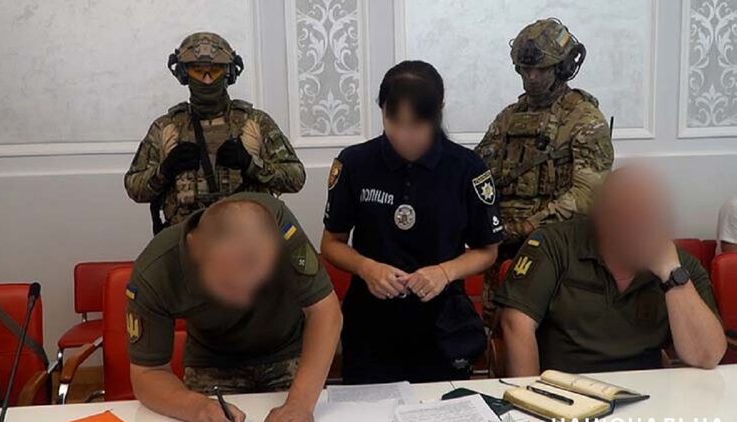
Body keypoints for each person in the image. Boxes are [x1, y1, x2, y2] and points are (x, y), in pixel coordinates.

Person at [321, 61, 503, 384]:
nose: (405, 136)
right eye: (395, 122)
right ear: (382, 111)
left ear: (438, 113)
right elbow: (331, 244)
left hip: (443, 325)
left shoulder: (467, 168)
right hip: (371, 325)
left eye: (417, 124)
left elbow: (488, 251)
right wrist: (366, 268)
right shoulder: (354, 163)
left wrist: (445, 272)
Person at [127, 192, 342, 422]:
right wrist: (197, 407)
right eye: (228, 284)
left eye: (257, 283)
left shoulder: (277, 225)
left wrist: (300, 404)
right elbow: (147, 373)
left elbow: (325, 312)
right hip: (212, 361)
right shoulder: (155, 271)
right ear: (196, 248)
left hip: (286, 349)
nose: (244, 299)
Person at [497, 166, 727, 376]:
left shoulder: (680, 266)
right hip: (565, 390)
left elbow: (707, 356)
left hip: (649, 394)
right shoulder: (555, 244)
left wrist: (671, 274)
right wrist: (529, 396)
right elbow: (516, 324)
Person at [474, 18, 614, 329]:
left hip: (558, 256)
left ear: (562, 67)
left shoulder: (584, 119)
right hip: (502, 255)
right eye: (525, 69)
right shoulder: (508, 118)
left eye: (541, 69)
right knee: (498, 335)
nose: (532, 77)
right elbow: (478, 175)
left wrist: (525, 227)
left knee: (553, 338)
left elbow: (586, 197)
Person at [125, 32, 305, 232]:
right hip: (186, 238)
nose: (207, 80)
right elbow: (134, 188)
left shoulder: (255, 123)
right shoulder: (166, 128)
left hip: (246, 236)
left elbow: (296, 178)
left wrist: (251, 164)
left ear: (228, 73)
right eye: (198, 71)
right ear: (184, 74)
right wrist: (165, 169)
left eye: (215, 70)